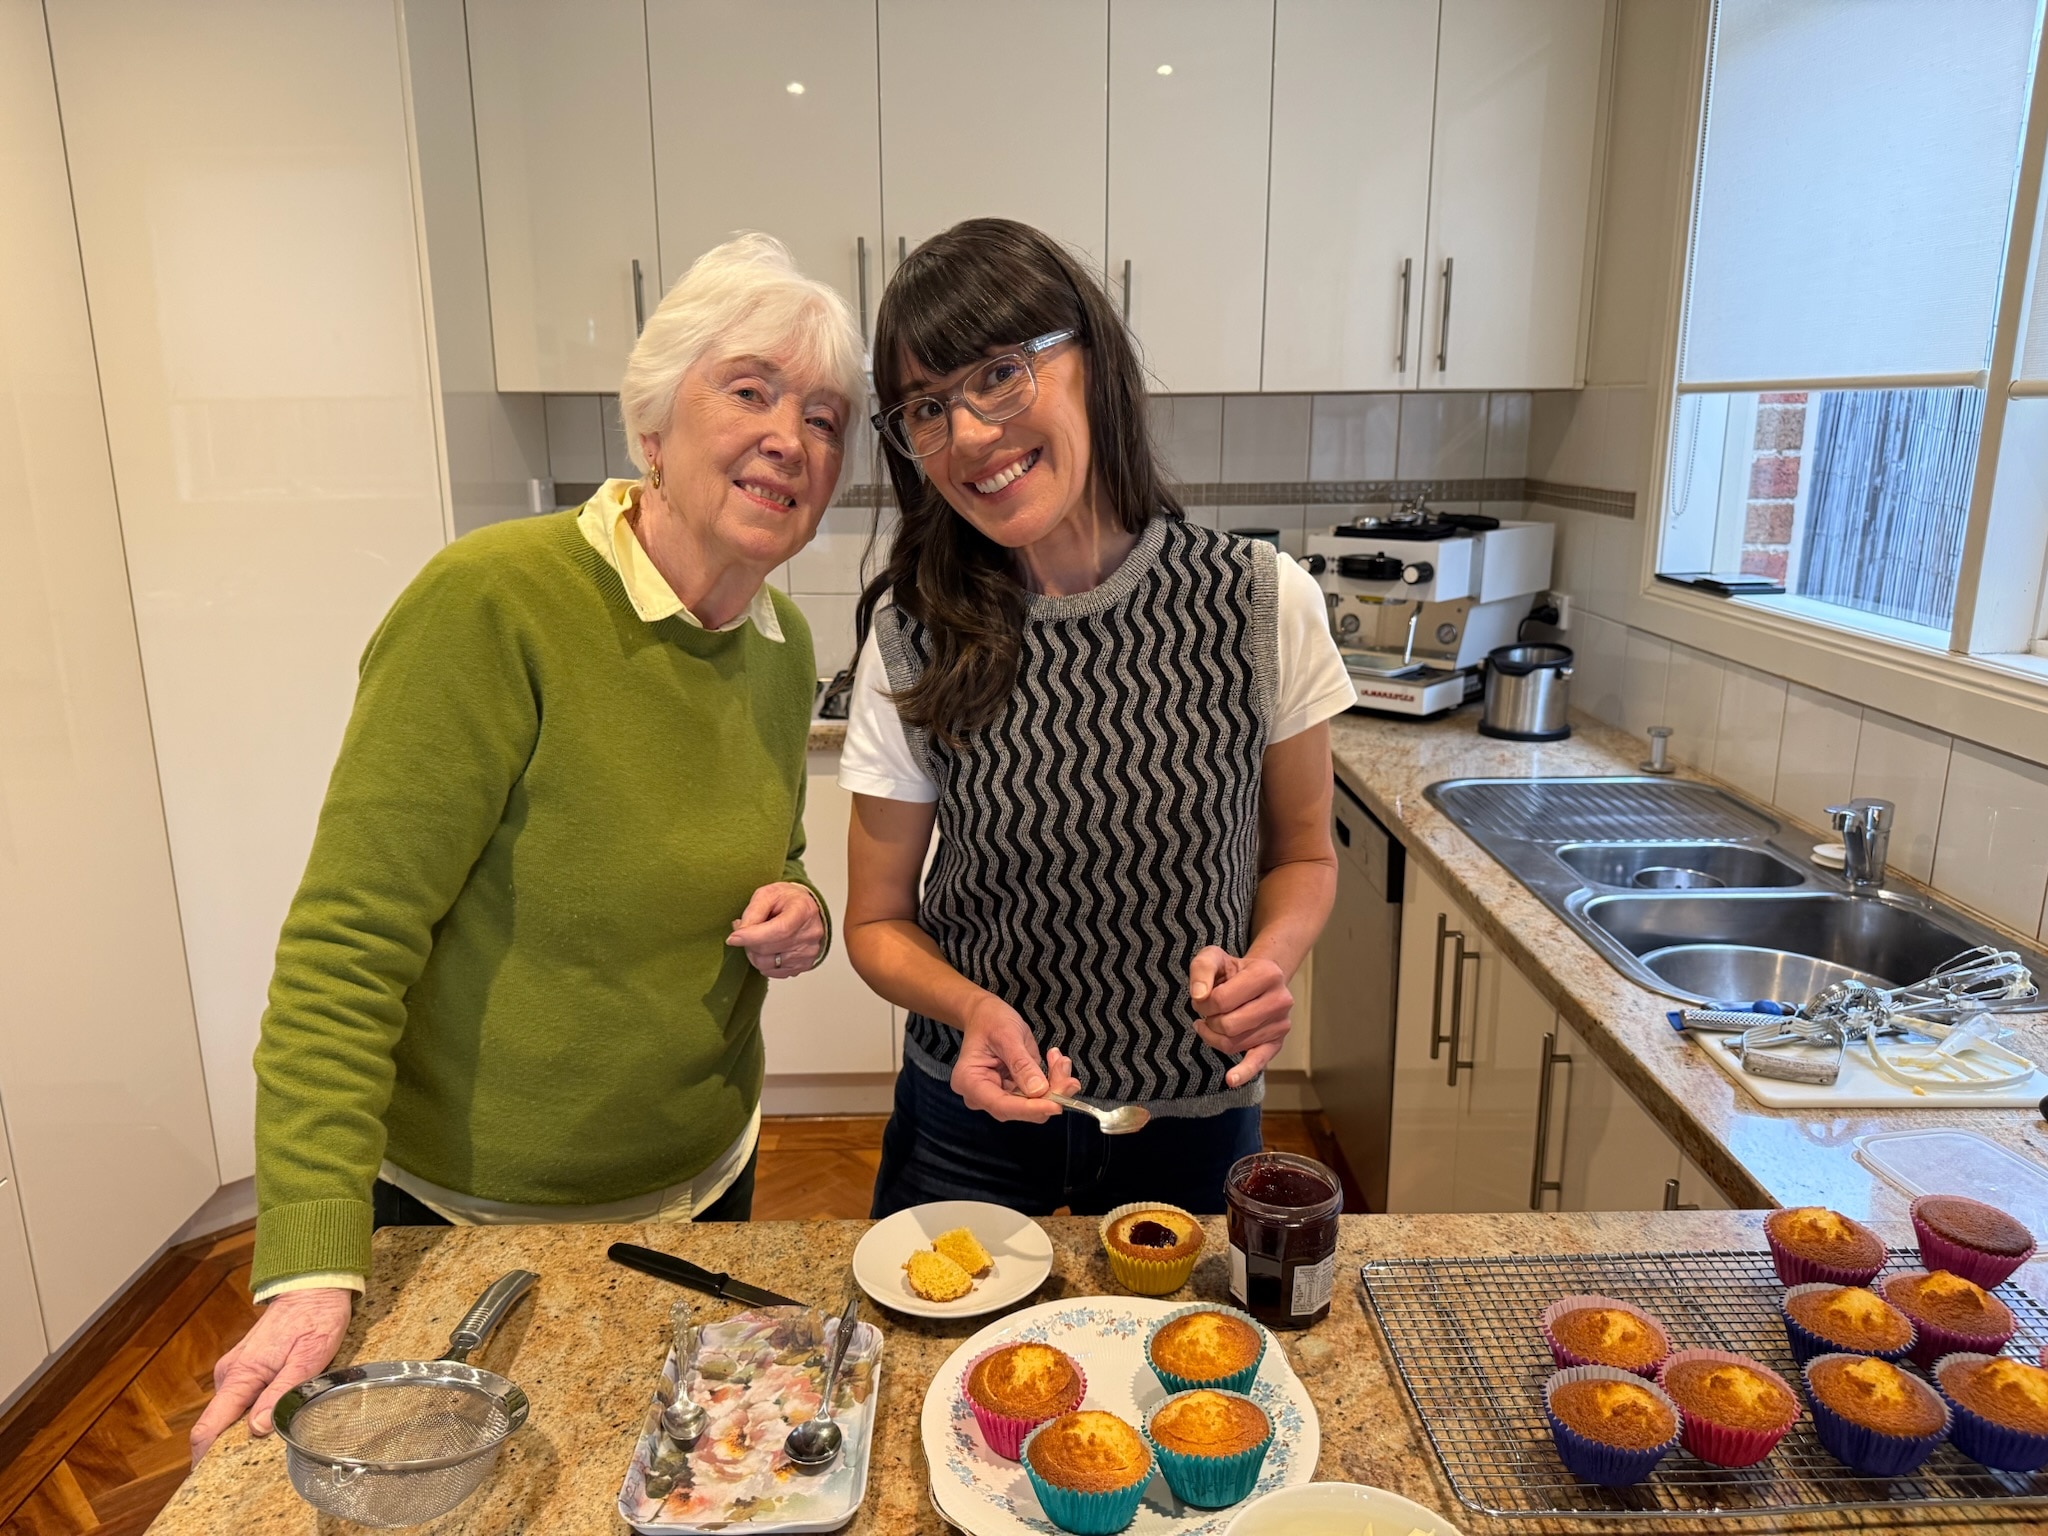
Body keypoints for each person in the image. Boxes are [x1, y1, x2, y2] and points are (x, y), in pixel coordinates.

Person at [189, 234, 865, 1461]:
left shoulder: (774, 644)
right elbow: (348, 947)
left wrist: (799, 904)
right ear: (654, 427)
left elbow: (765, 850)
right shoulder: (492, 603)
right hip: (471, 1218)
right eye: (751, 390)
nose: (791, 437)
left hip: (709, 1181)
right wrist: (310, 1255)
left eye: (825, 416)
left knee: (669, 1475)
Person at [841, 218, 1357, 1219]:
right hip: (972, 1121)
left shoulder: (1260, 600)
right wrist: (971, 1008)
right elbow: (874, 921)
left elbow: (1303, 856)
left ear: (1092, 359)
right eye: (927, 408)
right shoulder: (914, 632)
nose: (968, 437)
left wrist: (1268, 963)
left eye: (997, 374)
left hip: (1196, 1122)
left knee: (1182, 1377)